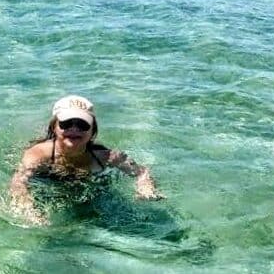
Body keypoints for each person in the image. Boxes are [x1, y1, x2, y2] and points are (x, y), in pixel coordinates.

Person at [9, 95, 163, 225]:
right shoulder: (38, 154)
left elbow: (142, 172)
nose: (74, 129)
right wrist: (29, 209)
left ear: (92, 131)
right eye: (66, 123)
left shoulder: (106, 157)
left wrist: (145, 187)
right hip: (47, 182)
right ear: (54, 127)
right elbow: (18, 182)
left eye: (82, 124)